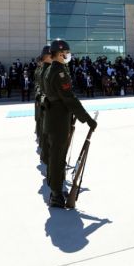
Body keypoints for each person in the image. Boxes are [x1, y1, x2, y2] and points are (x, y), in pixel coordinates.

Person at [44, 39, 98, 208]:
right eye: (66, 53)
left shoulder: (50, 69)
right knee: (58, 158)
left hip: (54, 117)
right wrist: (87, 118)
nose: (67, 55)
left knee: (56, 157)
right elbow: (69, 98)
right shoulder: (59, 72)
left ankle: (55, 189)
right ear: (59, 54)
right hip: (59, 120)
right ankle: (55, 194)